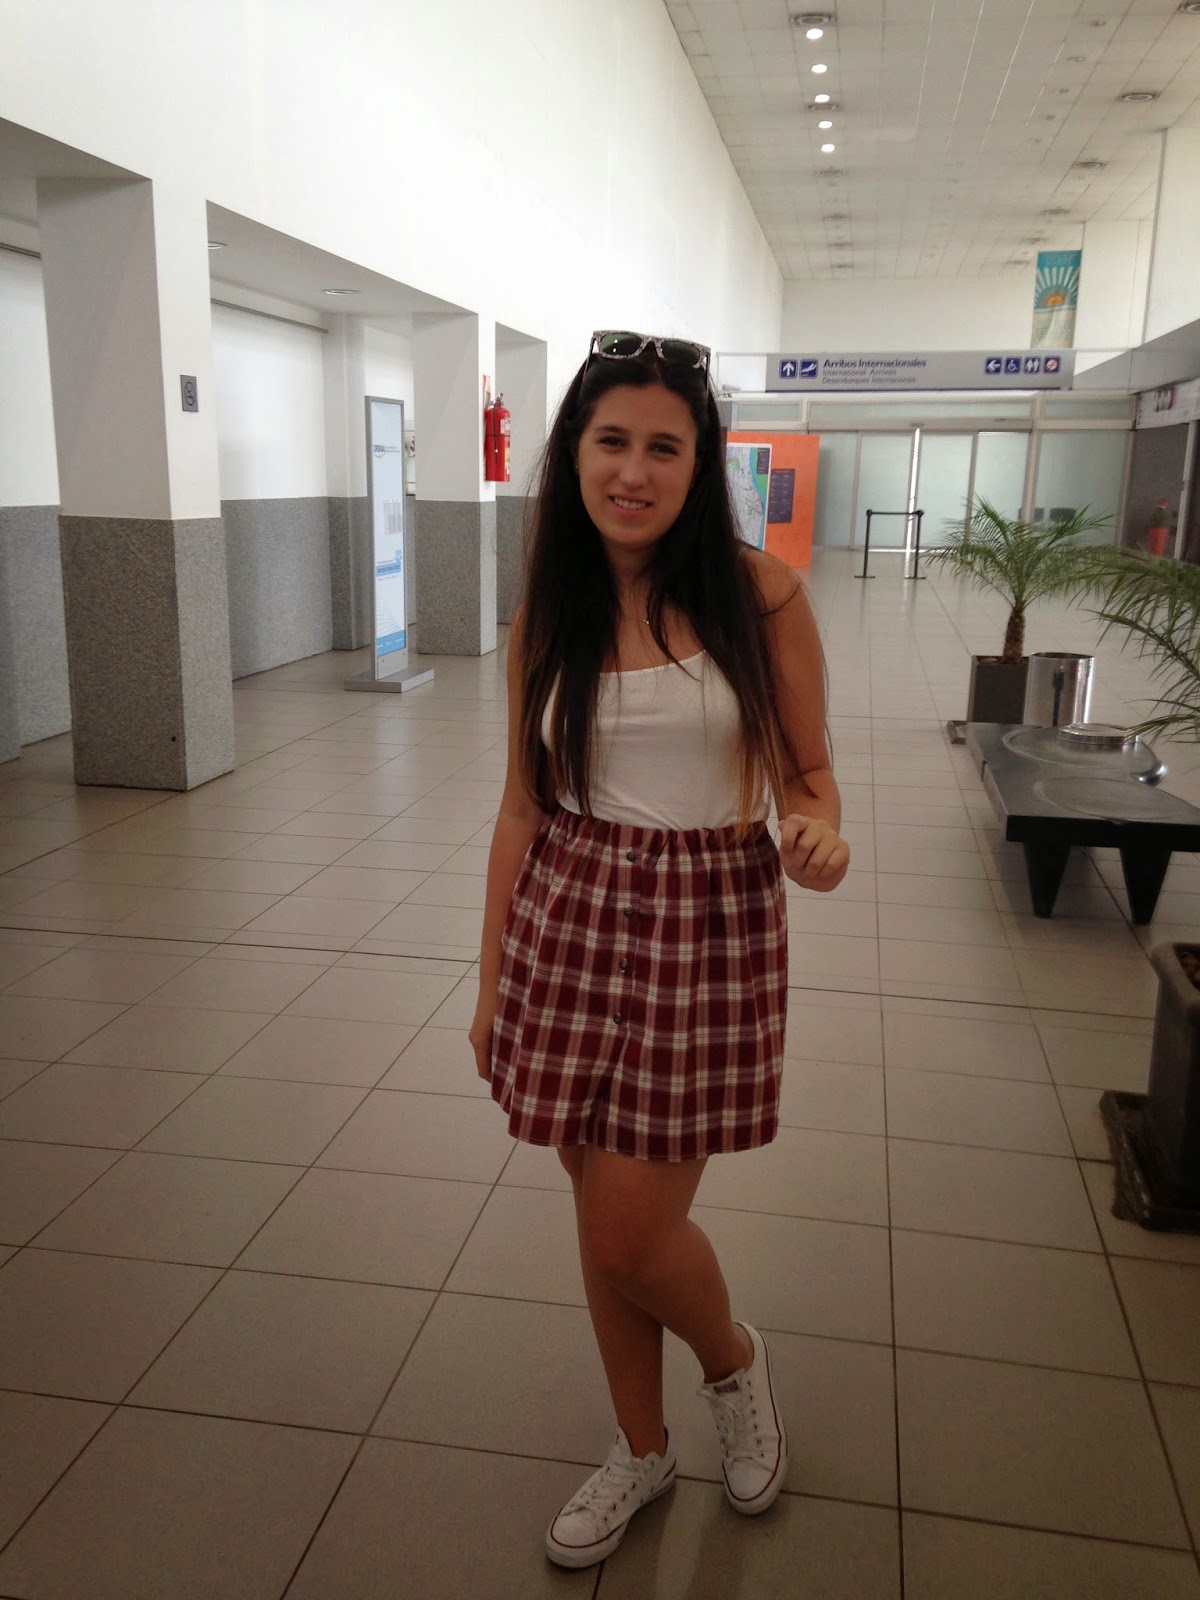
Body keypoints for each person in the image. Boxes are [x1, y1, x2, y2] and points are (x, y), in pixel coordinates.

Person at [469, 330, 849, 1570]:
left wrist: (818, 833)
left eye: (664, 448)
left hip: (704, 925)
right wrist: (491, 985)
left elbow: (810, 772)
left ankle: (732, 1363)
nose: (633, 471)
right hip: (568, 918)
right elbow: (520, 808)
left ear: (700, 464)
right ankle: (642, 1446)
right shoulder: (549, 611)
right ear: (575, 453)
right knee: (599, 1219)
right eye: (612, 441)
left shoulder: (760, 596)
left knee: (633, 1232)